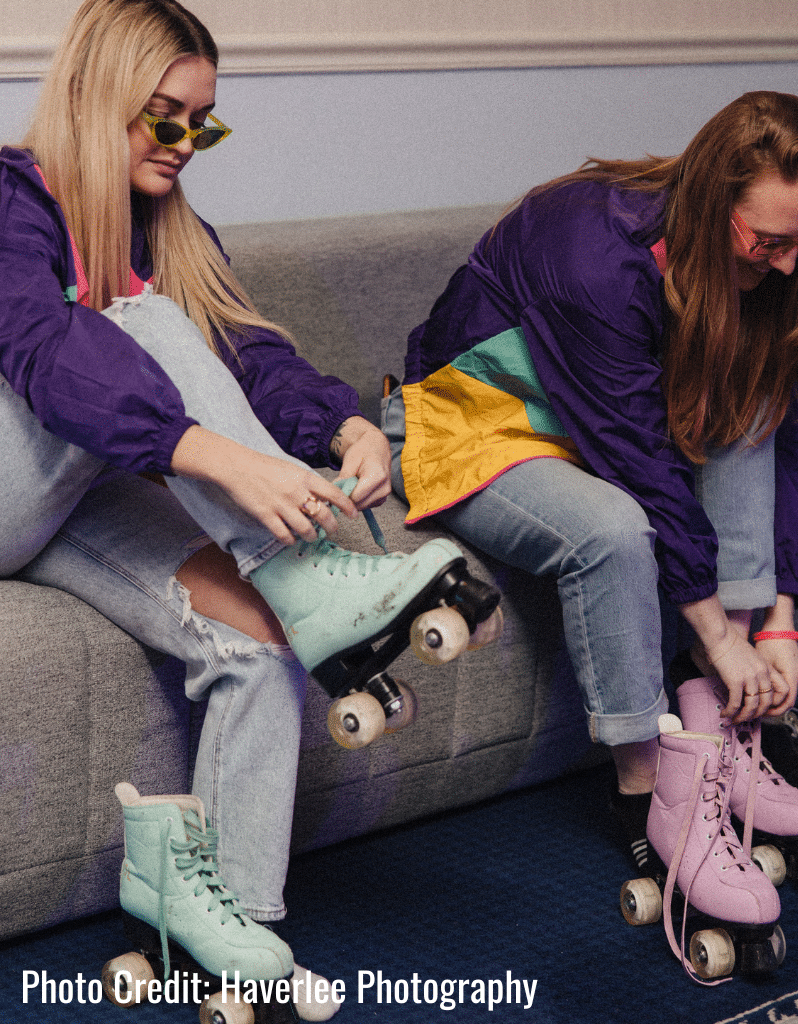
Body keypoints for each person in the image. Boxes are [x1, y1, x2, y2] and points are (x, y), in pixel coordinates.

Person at [0, 1, 469, 1018]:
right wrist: (211, 455)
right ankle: (310, 578)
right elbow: (44, 352)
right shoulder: (9, 197)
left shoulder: (167, 225)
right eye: (162, 116)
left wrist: (343, 425)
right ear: (92, 95)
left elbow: (247, 350)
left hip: (80, 495)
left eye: (200, 124)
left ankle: (231, 929)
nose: (182, 142)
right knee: (138, 316)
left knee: (254, 638)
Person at [384, 91, 798, 869]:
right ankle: (647, 792)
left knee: (750, 402)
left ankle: (728, 724)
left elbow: (775, 436)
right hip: (473, 426)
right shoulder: (590, 252)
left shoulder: (760, 269)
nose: (788, 264)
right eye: (769, 242)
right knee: (614, 531)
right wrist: (716, 637)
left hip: (595, 426)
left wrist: (776, 624)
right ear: (711, 201)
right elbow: (638, 460)